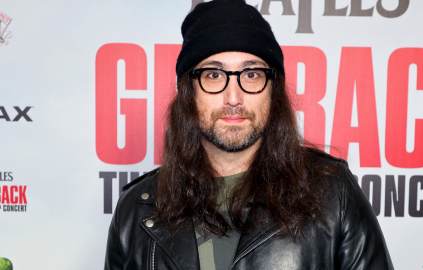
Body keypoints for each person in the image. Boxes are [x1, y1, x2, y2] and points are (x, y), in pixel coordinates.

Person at [104, 0, 394, 269]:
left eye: (252, 74)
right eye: (214, 75)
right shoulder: (135, 210)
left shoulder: (333, 193)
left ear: (273, 91)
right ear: (188, 93)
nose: (234, 97)